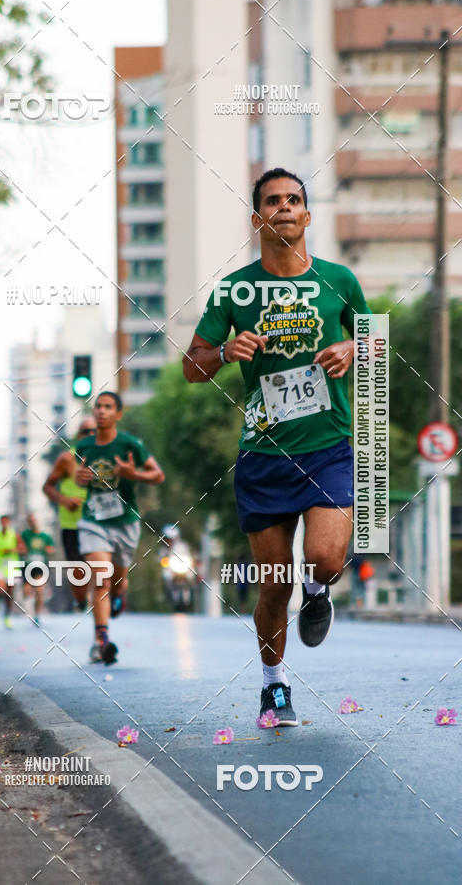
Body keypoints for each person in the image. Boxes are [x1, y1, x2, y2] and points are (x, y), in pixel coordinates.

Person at [183, 167, 371, 726]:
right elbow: (192, 364)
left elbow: (376, 340)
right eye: (272, 201)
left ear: (307, 216)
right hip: (264, 455)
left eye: (294, 200)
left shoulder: (339, 280)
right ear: (258, 217)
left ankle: (319, 589)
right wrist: (226, 351)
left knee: (326, 557)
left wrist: (352, 349)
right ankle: (274, 686)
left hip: (329, 445)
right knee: (272, 586)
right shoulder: (234, 290)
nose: (284, 207)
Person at [75, 391, 164, 664]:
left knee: (116, 579)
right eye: (98, 407)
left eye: (107, 407)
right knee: (100, 576)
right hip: (93, 520)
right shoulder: (84, 447)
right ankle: (102, 639)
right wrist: (79, 479)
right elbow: (80, 477)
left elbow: (158, 475)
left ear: (118, 414)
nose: (101, 411)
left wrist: (132, 474)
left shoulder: (130, 444)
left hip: (125, 521)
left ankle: (120, 590)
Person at [43, 417, 95, 610]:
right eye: (85, 432)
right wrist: (65, 501)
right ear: (78, 437)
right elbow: (47, 487)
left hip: (97, 524)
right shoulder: (66, 460)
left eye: (94, 432)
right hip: (71, 524)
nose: (90, 435)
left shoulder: (106, 459)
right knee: (78, 571)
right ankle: (81, 599)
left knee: (99, 565)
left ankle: (102, 599)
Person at [0, 515, 26, 628]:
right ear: (0, 523)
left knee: (10, 594)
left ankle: (7, 617)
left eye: (6, 522)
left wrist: (12, 550)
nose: (4, 524)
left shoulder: (14, 535)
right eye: (2, 522)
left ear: (9, 523)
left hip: (12, 567)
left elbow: (23, 549)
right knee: (0, 589)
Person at [20, 512, 55, 626]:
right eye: (30, 521)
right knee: (27, 590)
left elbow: (51, 550)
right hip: (27, 566)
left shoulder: (45, 536)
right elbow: (19, 546)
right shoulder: (25, 535)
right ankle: (28, 603)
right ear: (28, 523)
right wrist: (21, 549)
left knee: (39, 592)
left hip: (40, 566)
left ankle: (36, 615)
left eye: (34, 520)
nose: (32, 523)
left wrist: (48, 550)